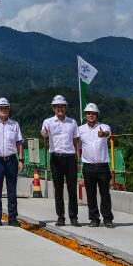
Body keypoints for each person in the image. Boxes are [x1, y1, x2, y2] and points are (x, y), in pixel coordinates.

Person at [41, 94, 81, 227]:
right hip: (56, 158)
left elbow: (76, 140)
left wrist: (78, 159)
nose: (60, 109)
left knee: (72, 189)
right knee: (58, 189)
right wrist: (44, 133)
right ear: (54, 108)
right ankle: (61, 217)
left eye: (62, 106)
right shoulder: (48, 121)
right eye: (57, 107)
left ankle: (73, 217)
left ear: (65, 108)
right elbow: (44, 132)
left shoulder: (72, 122)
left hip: (70, 158)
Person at [0, 97, 24, 226]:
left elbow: (19, 143)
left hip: (11, 159)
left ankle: (12, 218)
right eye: (1, 108)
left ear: (9, 110)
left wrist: (21, 159)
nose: (3, 110)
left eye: (5, 108)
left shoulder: (14, 124)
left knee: (12, 190)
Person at [79, 103, 115, 228]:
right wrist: (77, 161)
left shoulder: (104, 127)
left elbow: (107, 133)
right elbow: (78, 147)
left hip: (103, 166)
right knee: (90, 194)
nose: (91, 115)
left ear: (97, 115)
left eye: (93, 114)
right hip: (88, 166)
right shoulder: (80, 129)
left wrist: (103, 134)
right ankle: (94, 219)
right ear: (85, 115)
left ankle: (107, 218)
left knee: (105, 193)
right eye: (88, 113)